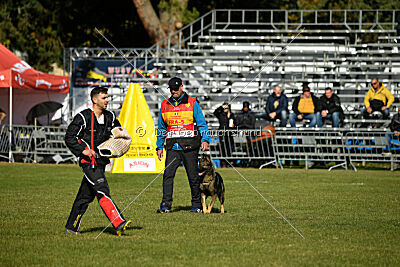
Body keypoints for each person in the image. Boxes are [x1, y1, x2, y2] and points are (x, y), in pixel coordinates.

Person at [64, 87, 131, 235]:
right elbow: (69, 137)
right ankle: (118, 222)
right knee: (102, 189)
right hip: (88, 162)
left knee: (84, 197)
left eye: (107, 97)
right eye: (104, 98)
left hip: (101, 162)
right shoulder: (83, 117)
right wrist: (83, 150)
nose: (107, 100)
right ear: (95, 100)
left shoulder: (110, 117)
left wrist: (121, 140)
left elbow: (117, 133)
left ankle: (71, 227)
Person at [156, 77, 211, 213]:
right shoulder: (164, 104)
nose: (174, 91)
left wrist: (205, 139)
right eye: (171, 89)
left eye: (176, 88)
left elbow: (202, 123)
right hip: (172, 147)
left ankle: (197, 205)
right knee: (168, 175)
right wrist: (159, 146)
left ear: (181, 87)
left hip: (190, 147)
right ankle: (166, 204)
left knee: (193, 176)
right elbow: (162, 128)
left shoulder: (192, 103)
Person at [213, 102, 235, 167]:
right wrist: (221, 107)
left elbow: (235, 122)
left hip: (229, 133)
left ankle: (228, 162)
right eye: (224, 108)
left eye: (226, 108)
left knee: (229, 148)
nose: (225, 109)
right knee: (222, 148)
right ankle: (223, 163)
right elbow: (215, 112)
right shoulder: (220, 114)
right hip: (222, 132)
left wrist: (234, 125)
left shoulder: (231, 115)